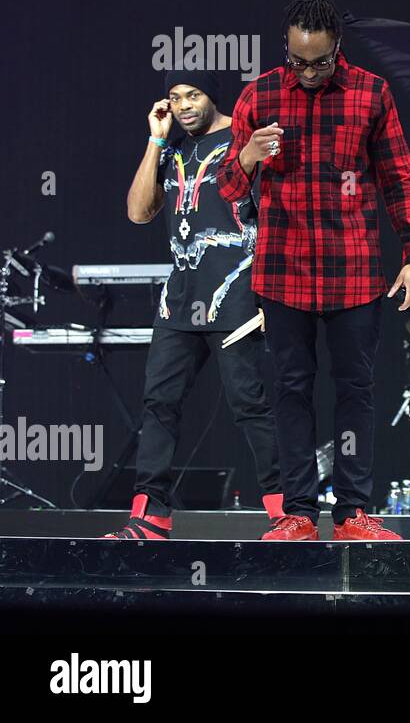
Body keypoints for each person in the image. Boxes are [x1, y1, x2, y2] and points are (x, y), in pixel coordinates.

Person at [216, 0, 410, 542]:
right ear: (285, 49)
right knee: (290, 390)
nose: (308, 72)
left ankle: (354, 512)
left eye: (320, 61)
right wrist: (246, 157)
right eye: (298, 61)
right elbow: (228, 188)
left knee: (356, 390)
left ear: (339, 48)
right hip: (283, 272)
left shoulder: (371, 92)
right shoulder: (258, 95)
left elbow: (399, 177)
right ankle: (298, 513)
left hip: (353, 269)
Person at [106, 72, 281, 539]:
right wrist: (154, 140)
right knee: (159, 402)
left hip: (237, 292)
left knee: (249, 403)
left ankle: (288, 515)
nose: (183, 105)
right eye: (174, 97)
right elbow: (139, 212)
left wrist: (270, 297)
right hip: (180, 301)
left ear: (213, 96)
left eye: (193, 95)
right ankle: (150, 517)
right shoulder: (174, 150)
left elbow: (279, 219)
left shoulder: (246, 141)